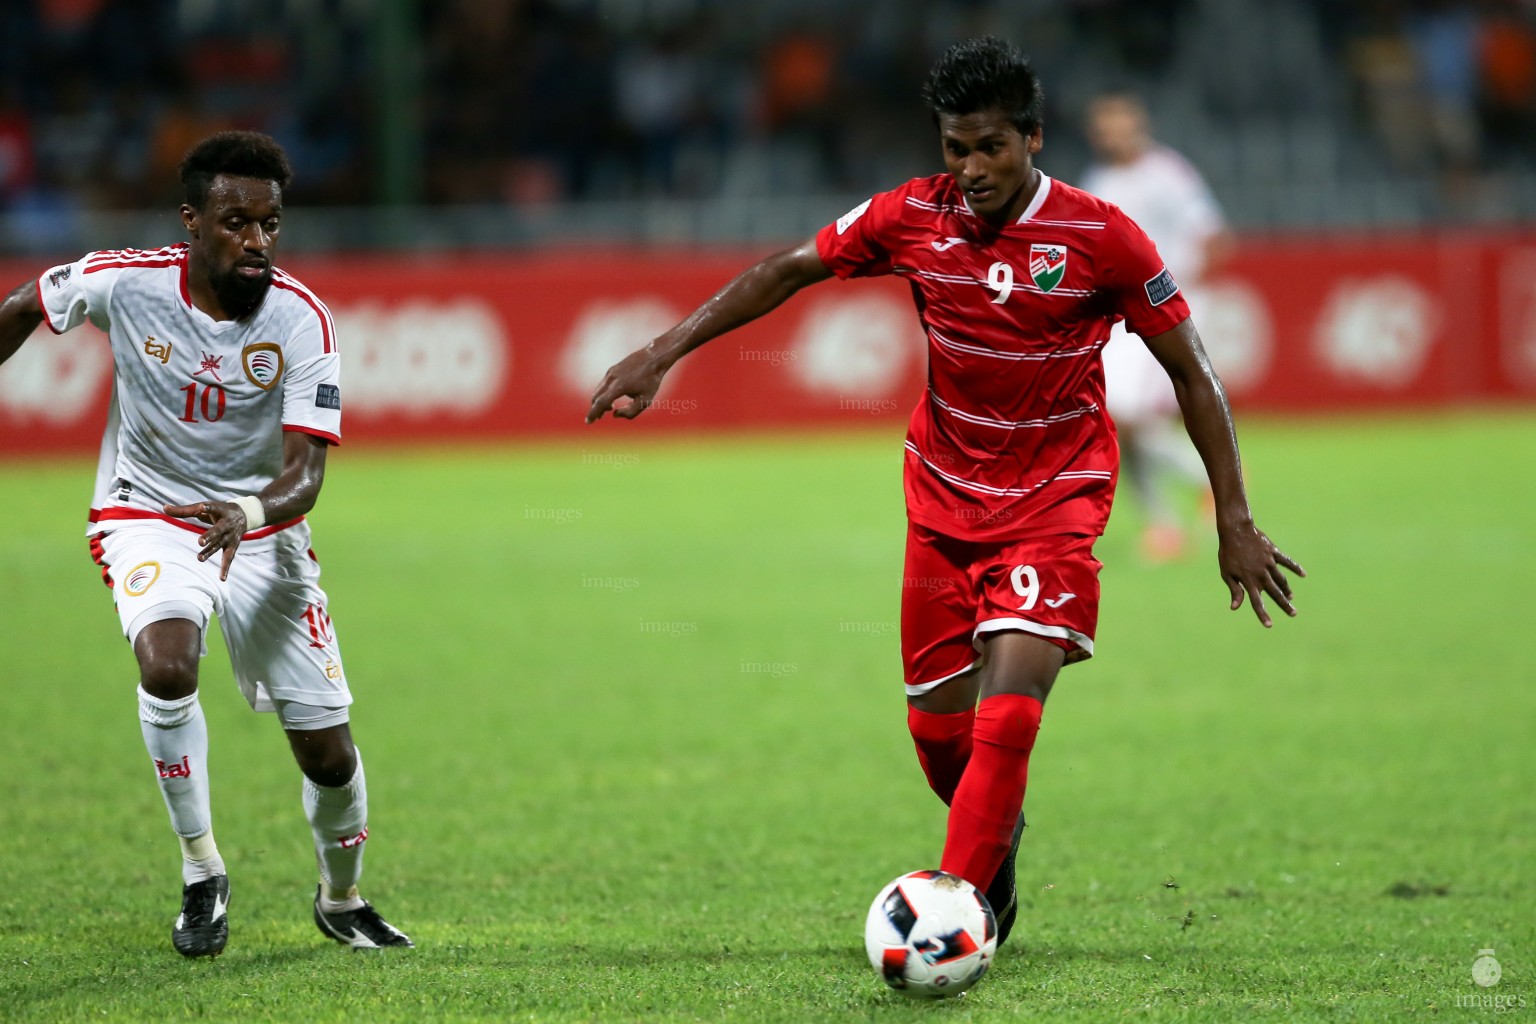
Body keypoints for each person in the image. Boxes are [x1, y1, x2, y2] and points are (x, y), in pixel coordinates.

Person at [586, 37, 1303, 949]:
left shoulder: (1102, 235)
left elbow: (1194, 373)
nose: (970, 170)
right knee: (941, 741)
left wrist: (1232, 518)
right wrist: (662, 352)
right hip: (941, 504)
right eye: (955, 149)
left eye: (990, 148)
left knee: (1008, 711)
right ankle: (993, 855)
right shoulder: (911, 216)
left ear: (1034, 141)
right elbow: (787, 268)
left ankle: (953, 916)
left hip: (1055, 500)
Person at [0, 131, 411, 957]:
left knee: (329, 753)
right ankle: (201, 871)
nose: (256, 241)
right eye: (236, 222)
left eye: (270, 223)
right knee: (168, 664)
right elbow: (18, 310)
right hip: (146, 511)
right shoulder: (126, 282)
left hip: (261, 527)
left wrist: (248, 516)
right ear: (192, 221)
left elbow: (305, 478)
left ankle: (342, 896)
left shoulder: (302, 320)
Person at [1080, 90, 1234, 562]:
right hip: (1119, 319)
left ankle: (1202, 488)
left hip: (1164, 314)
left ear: (1138, 123)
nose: (1112, 133)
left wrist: (1182, 303)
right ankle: (1171, 517)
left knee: (1126, 415)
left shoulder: (1169, 174)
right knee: (1115, 423)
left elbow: (1213, 238)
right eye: (1104, 125)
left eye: (1119, 123)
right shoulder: (1097, 180)